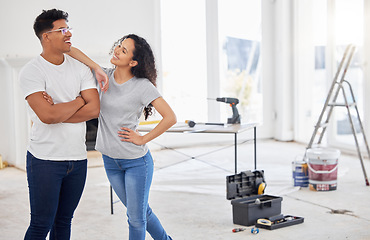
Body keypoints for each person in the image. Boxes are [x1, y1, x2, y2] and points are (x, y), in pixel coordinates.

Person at [46, 34, 176, 239]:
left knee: (135, 218)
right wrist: (96, 68)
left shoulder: (142, 86)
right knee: (141, 212)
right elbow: (70, 50)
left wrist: (142, 139)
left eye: (123, 50)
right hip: (111, 161)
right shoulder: (103, 76)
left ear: (133, 62)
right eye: (119, 45)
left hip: (136, 163)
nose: (116, 50)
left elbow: (170, 117)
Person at [19, 9, 100, 239]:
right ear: (46, 36)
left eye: (69, 29)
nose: (69, 34)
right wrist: (78, 100)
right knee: (40, 224)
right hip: (45, 160)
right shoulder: (31, 72)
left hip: (77, 158)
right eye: (62, 30)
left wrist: (58, 109)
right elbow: (47, 116)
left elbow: (93, 109)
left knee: (64, 222)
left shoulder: (80, 68)